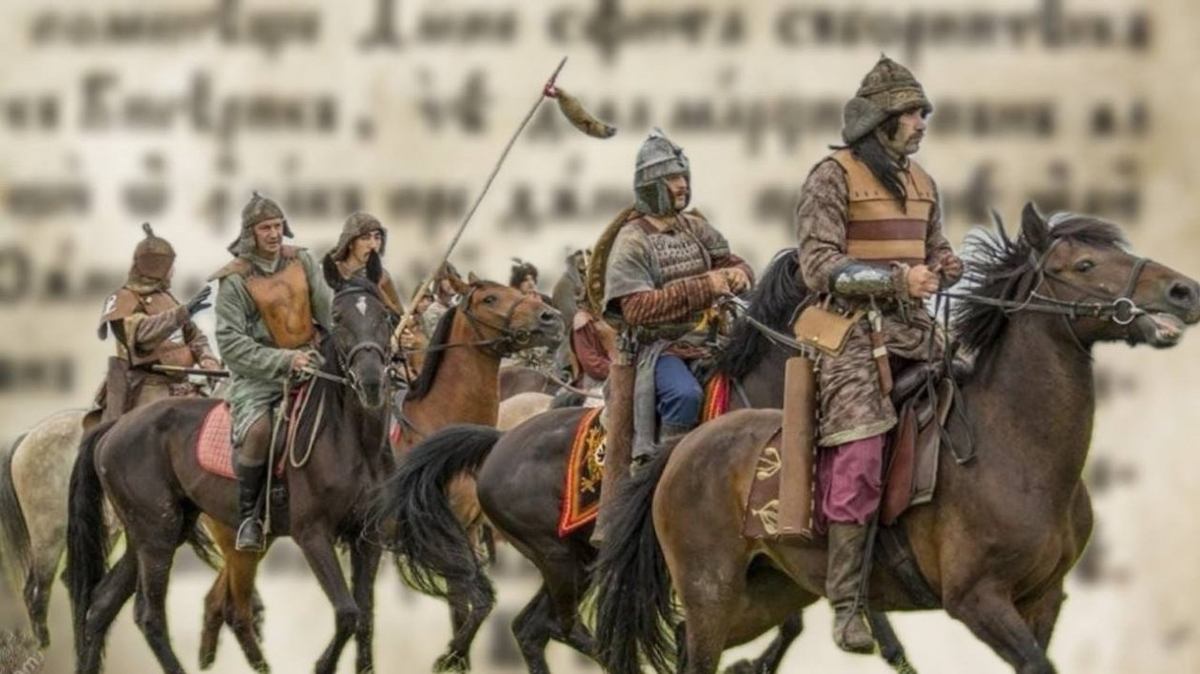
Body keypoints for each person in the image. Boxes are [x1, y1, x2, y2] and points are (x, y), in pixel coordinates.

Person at [794, 55, 964, 653]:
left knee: (979, 390)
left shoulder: (923, 182)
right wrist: (898, 280)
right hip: (848, 333)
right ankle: (847, 604)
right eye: (912, 113)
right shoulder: (831, 176)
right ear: (881, 121)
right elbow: (817, 265)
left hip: (915, 329)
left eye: (923, 113)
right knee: (861, 450)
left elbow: (934, 246)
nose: (922, 123)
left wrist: (945, 264)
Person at [597, 128, 754, 470]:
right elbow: (636, 309)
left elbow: (730, 261)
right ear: (651, 185)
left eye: (683, 177)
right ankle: (662, 474)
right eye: (671, 178)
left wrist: (740, 273)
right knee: (684, 395)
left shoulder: (694, 228)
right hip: (657, 350)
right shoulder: (632, 240)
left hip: (710, 343)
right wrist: (704, 286)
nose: (682, 185)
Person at [210, 192, 333, 552]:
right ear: (250, 233)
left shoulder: (302, 260)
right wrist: (283, 361)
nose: (274, 234)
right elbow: (230, 344)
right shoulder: (234, 280)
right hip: (259, 377)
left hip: (313, 364)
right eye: (265, 227)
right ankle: (250, 517)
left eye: (278, 226)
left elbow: (327, 312)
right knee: (260, 431)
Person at [96, 223, 219, 423]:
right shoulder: (124, 299)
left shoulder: (167, 298)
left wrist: (208, 359)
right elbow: (141, 334)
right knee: (150, 431)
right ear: (157, 267)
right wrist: (182, 313)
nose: (173, 271)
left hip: (182, 384)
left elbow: (194, 335)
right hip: (148, 386)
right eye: (170, 266)